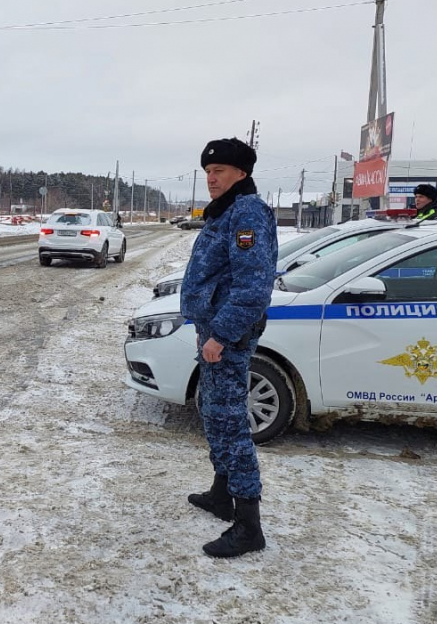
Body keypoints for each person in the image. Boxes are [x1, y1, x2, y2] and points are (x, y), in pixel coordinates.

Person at [180, 137, 278, 558]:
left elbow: (253, 288)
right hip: (214, 329)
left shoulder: (247, 213)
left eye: (219, 172)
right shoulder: (225, 213)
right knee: (215, 414)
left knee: (232, 424)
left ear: (241, 173)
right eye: (207, 172)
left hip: (228, 335)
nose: (211, 179)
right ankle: (222, 493)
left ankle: (248, 524)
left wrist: (220, 336)